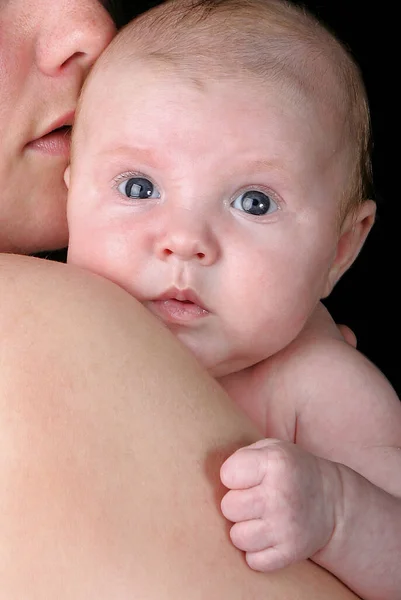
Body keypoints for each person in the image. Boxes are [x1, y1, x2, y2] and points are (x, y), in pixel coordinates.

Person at [0, 0, 362, 597]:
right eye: (139, 188)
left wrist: (343, 512)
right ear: (75, 193)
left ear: (341, 250)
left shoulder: (318, 385)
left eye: (254, 203)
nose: (184, 243)